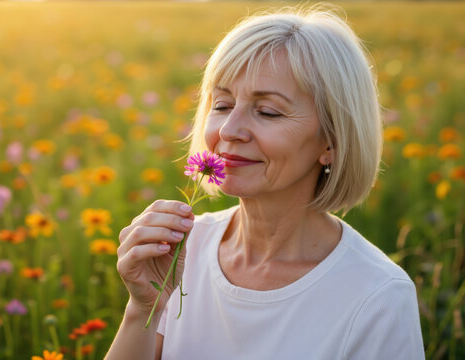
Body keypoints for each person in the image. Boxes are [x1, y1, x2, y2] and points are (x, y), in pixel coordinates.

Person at [106, 5, 424, 360]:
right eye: (223, 104)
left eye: (268, 111)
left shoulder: (377, 296)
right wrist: (141, 308)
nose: (229, 131)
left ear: (332, 142)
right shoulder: (180, 251)